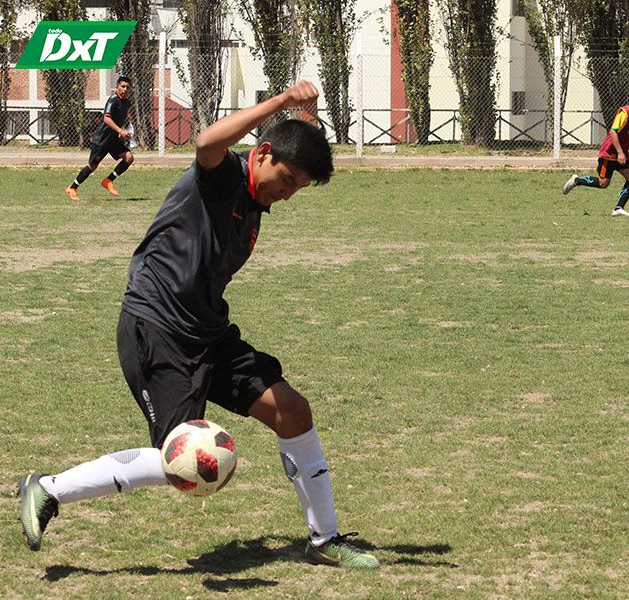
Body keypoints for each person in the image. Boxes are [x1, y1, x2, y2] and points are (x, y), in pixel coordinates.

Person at [19, 81, 380, 568]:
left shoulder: (257, 199)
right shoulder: (223, 175)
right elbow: (207, 141)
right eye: (288, 180)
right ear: (263, 153)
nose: (289, 194)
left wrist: (307, 126)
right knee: (178, 460)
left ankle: (324, 540)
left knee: (292, 410)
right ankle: (49, 489)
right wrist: (280, 103)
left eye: (299, 187)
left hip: (208, 332)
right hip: (157, 327)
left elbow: (289, 148)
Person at [562, 87, 629, 217]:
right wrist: (620, 152)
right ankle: (577, 180)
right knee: (603, 183)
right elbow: (613, 131)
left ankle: (618, 208)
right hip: (609, 152)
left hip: (622, 153)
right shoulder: (626, 112)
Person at [66, 76, 135, 201]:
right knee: (92, 166)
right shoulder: (112, 100)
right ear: (117, 87)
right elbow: (106, 119)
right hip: (102, 139)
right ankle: (72, 188)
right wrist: (120, 130)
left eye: (127, 87)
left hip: (113, 140)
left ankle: (108, 181)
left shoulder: (126, 102)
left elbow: (121, 118)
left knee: (129, 158)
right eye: (122, 86)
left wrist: (122, 131)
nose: (125, 89)